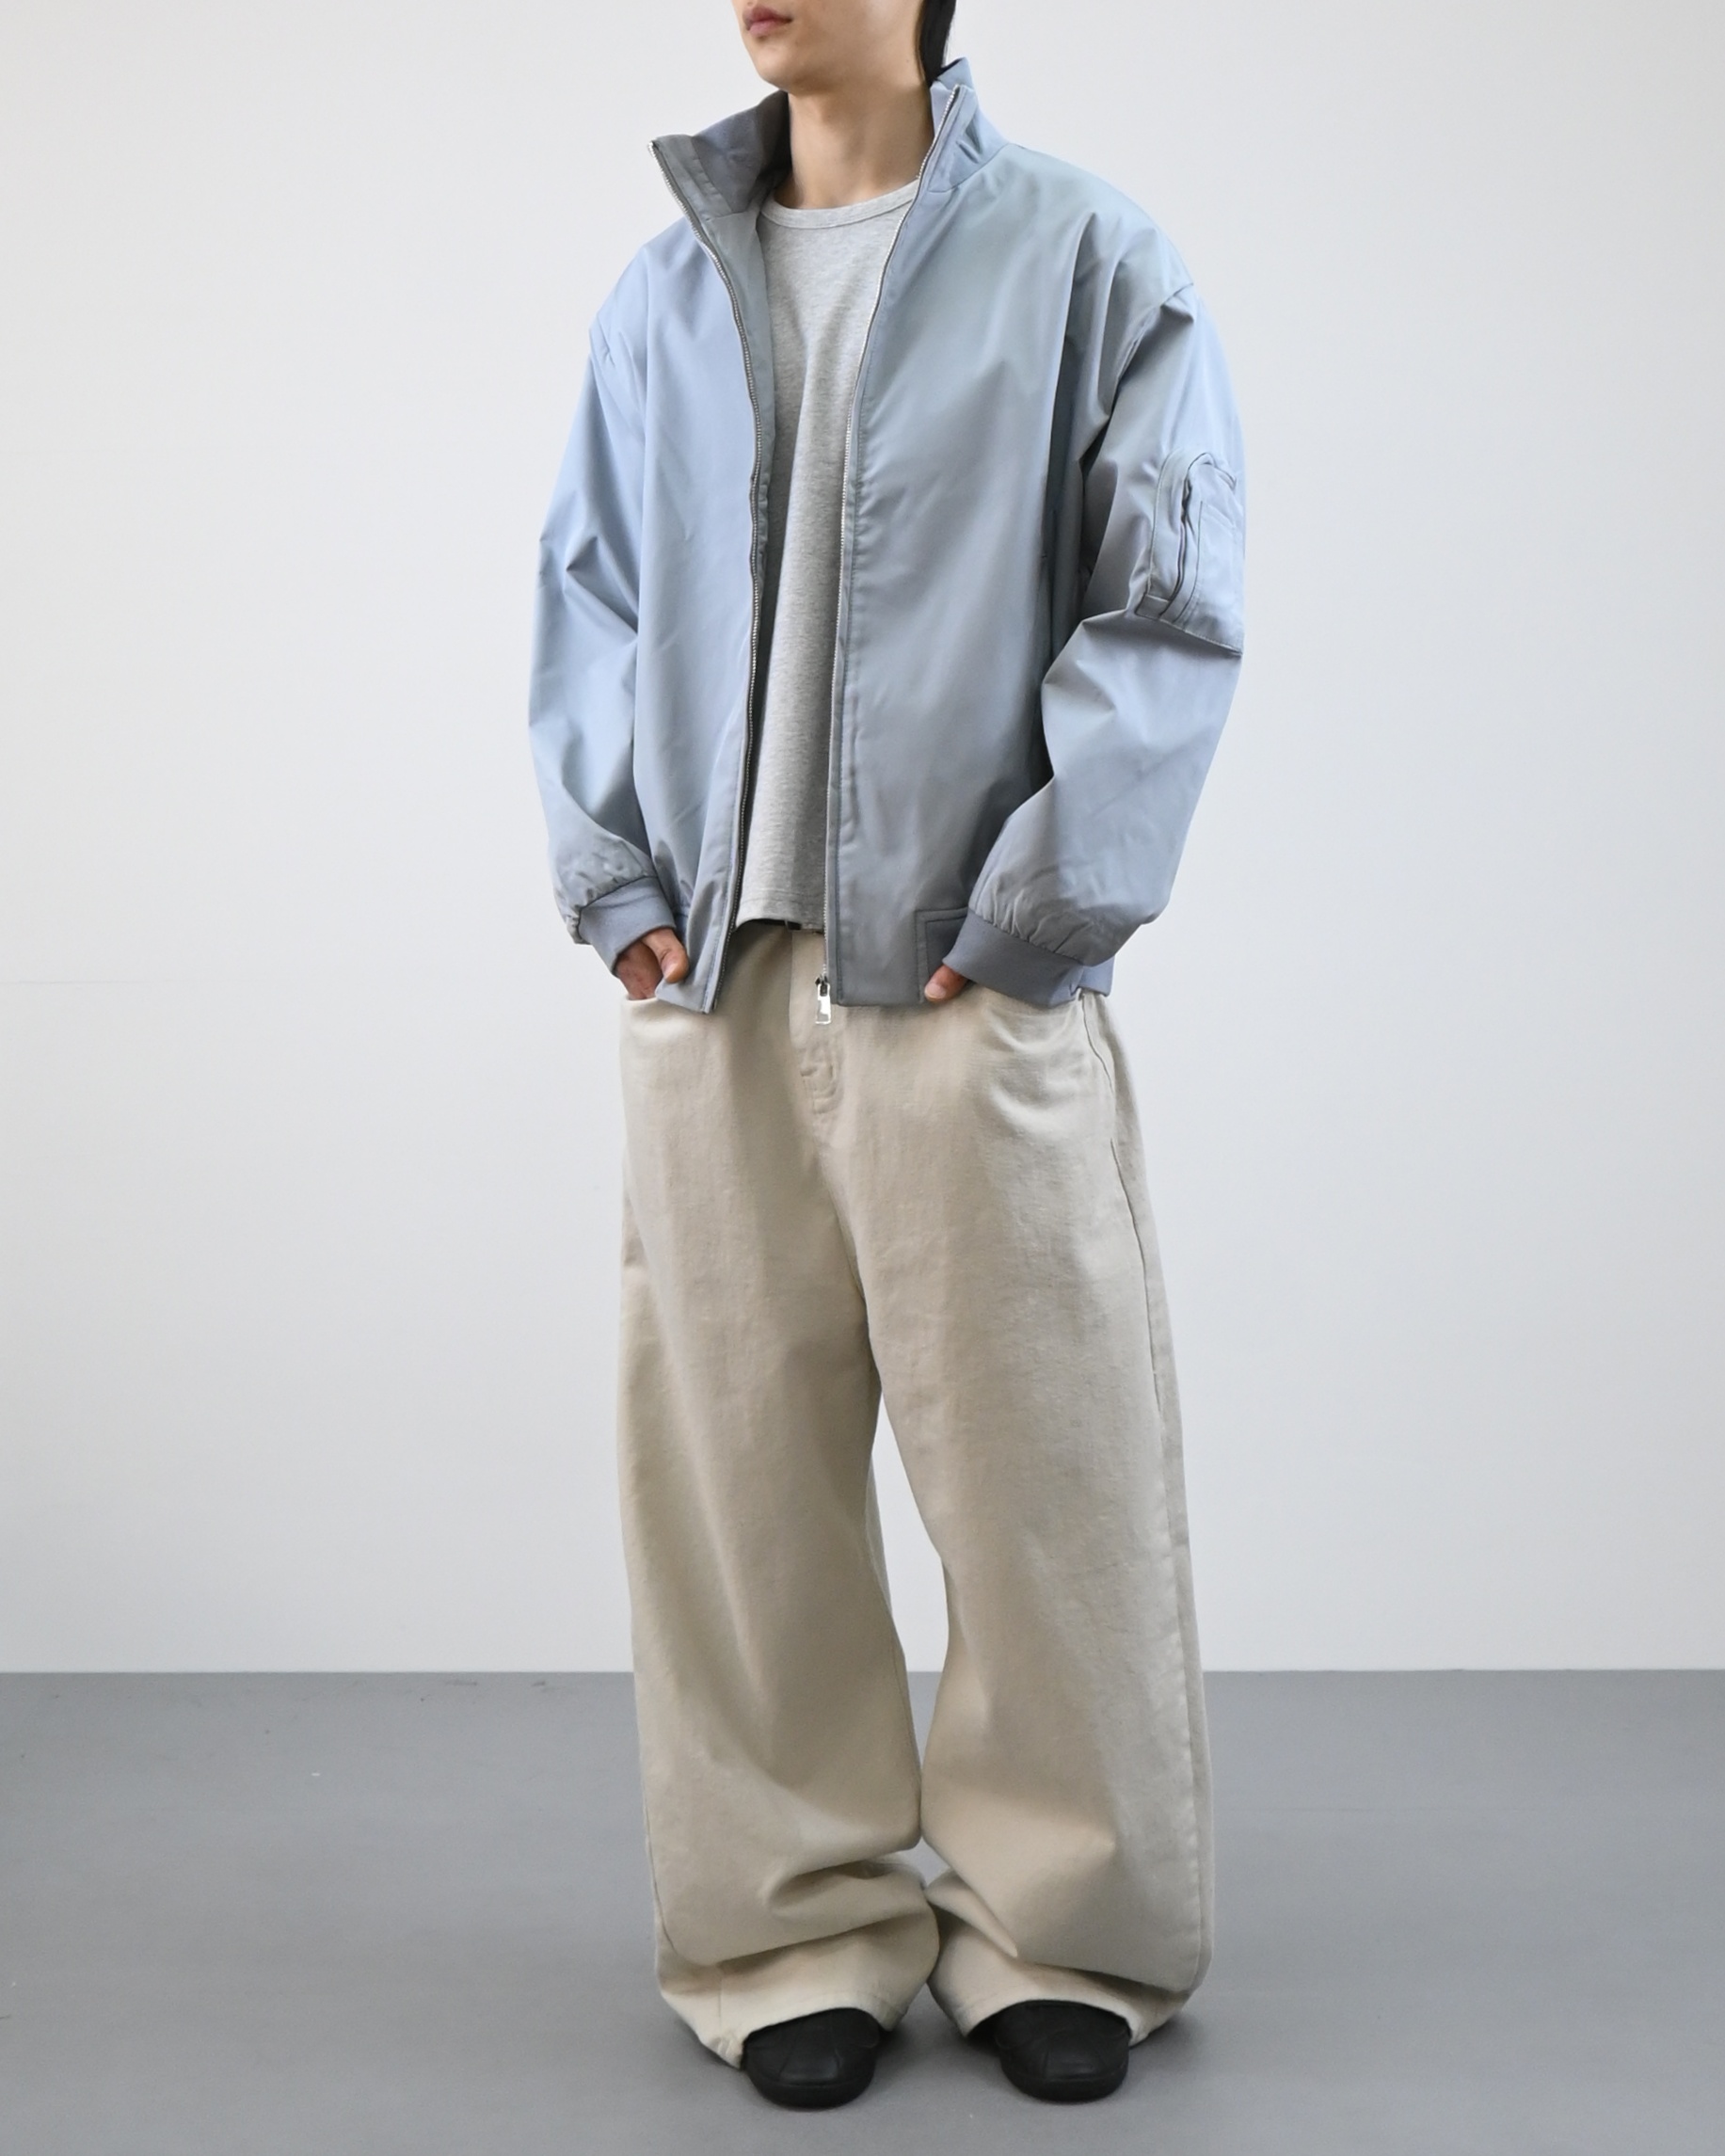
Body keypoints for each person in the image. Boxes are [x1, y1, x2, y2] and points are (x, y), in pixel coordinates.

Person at [529, 0, 1244, 2111]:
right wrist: (612, 877)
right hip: (712, 985)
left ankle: (1062, 1931)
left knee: (1046, 1478)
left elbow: (1165, 592)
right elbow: (585, 591)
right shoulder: (663, 291)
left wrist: (1040, 911)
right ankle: (788, 1933)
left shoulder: (1084, 255)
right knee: (734, 1492)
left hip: (962, 975)